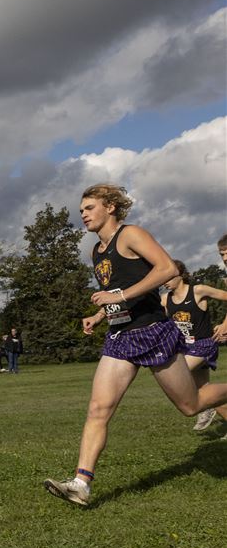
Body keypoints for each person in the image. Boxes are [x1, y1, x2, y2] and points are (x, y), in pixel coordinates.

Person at [44, 184, 227, 507]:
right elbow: (118, 290)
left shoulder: (130, 235)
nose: (83, 214)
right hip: (119, 337)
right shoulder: (96, 252)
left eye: (89, 207)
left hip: (153, 331)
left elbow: (168, 269)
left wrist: (121, 296)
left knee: (190, 405)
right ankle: (81, 483)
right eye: (82, 209)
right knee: (98, 409)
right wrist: (100, 315)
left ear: (110, 207)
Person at [161, 261, 227, 432]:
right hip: (186, 348)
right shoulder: (165, 299)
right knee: (205, 391)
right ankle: (210, 407)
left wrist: (224, 324)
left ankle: (206, 408)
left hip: (205, 344)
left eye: (168, 277)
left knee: (180, 372)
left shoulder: (198, 290)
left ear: (180, 275)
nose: (164, 281)